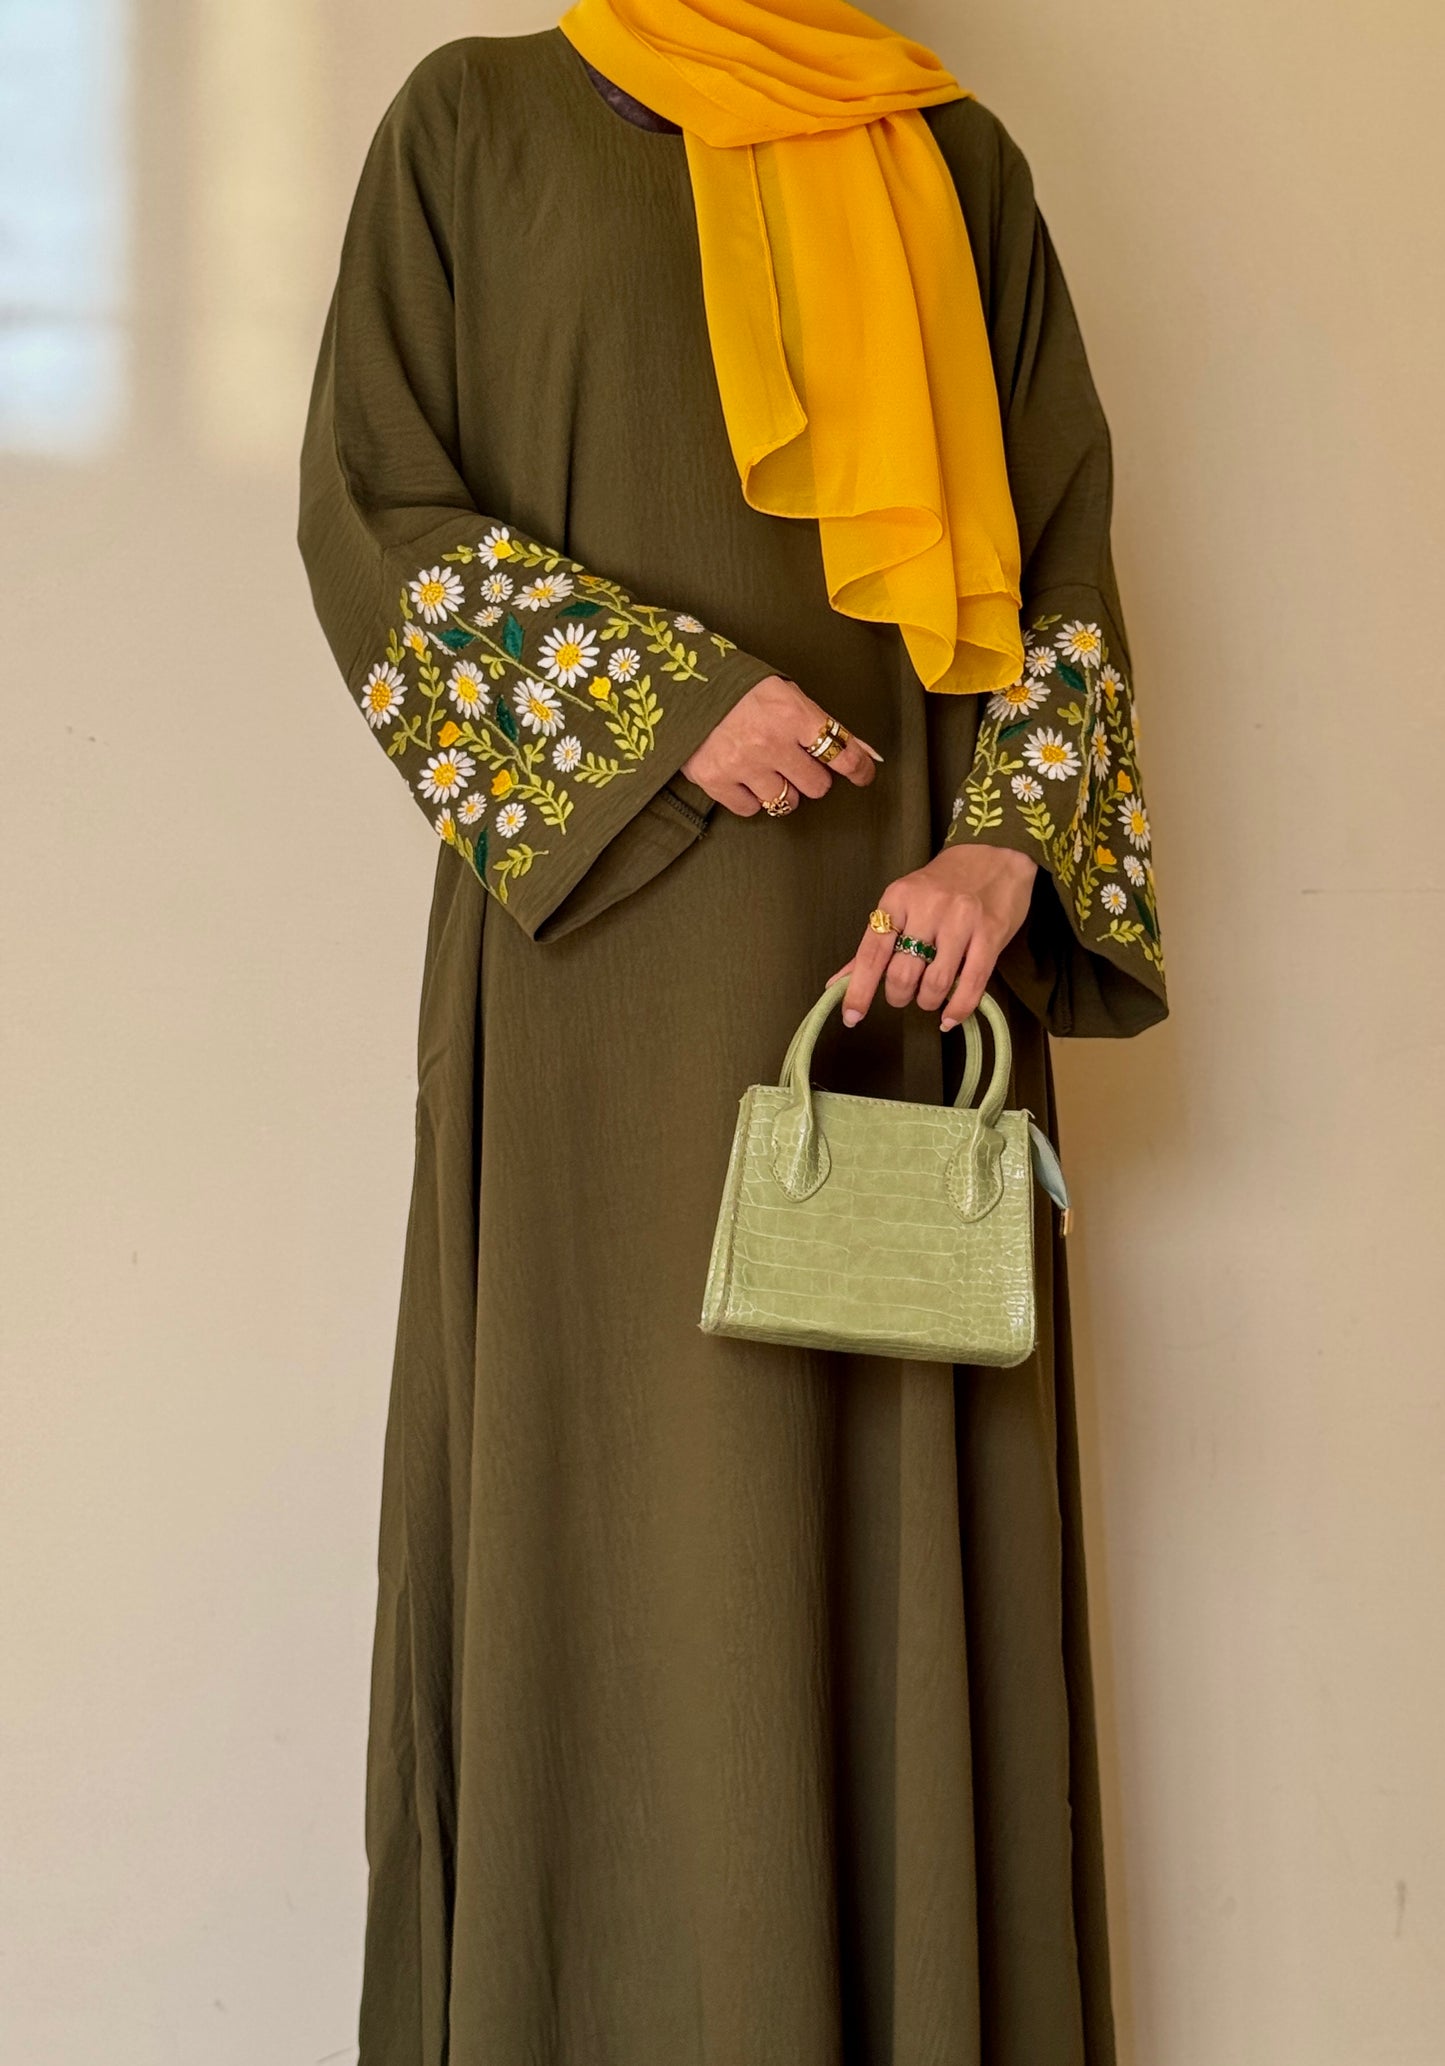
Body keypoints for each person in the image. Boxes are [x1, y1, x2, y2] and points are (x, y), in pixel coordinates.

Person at [299, 5, 1167, 2060]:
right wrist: (667, 704)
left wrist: (1006, 851)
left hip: (896, 976)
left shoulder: (950, 155)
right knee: (615, 1530)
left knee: (891, 1537)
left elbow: (1062, 563)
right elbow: (372, 506)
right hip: (602, 966)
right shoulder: (474, 123)